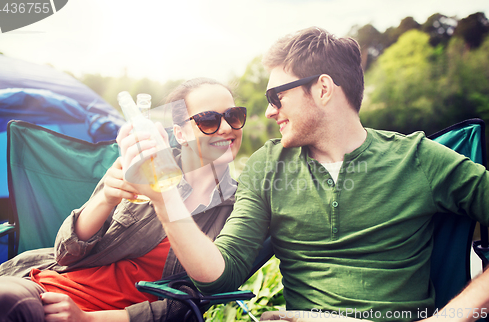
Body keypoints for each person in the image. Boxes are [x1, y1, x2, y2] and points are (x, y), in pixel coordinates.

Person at [125, 27, 489, 322]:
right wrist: (165, 197)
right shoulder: (267, 165)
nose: (269, 113)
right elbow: (220, 274)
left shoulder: (418, 158)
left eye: (276, 97)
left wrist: (452, 316)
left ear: (324, 89)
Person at [0, 77, 246, 322]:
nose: (226, 128)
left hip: (98, 316)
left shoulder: (240, 211)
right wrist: (106, 197)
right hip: (47, 289)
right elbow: (65, 254)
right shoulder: (141, 166)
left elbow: (190, 303)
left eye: (234, 116)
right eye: (208, 120)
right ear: (179, 134)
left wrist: (87, 318)